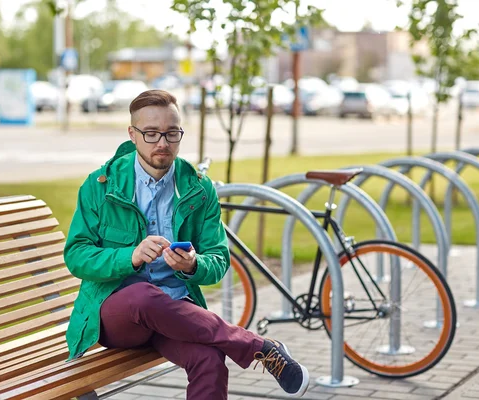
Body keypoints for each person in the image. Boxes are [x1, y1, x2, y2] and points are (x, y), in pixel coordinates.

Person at [64, 89, 309, 399]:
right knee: (141, 295)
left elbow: (218, 259)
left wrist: (194, 265)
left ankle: (255, 348)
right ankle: (258, 347)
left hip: (175, 311)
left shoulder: (199, 189)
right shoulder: (101, 185)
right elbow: (77, 256)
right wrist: (131, 256)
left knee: (209, 359)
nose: (162, 143)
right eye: (151, 134)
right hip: (117, 314)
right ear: (133, 134)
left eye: (171, 133)